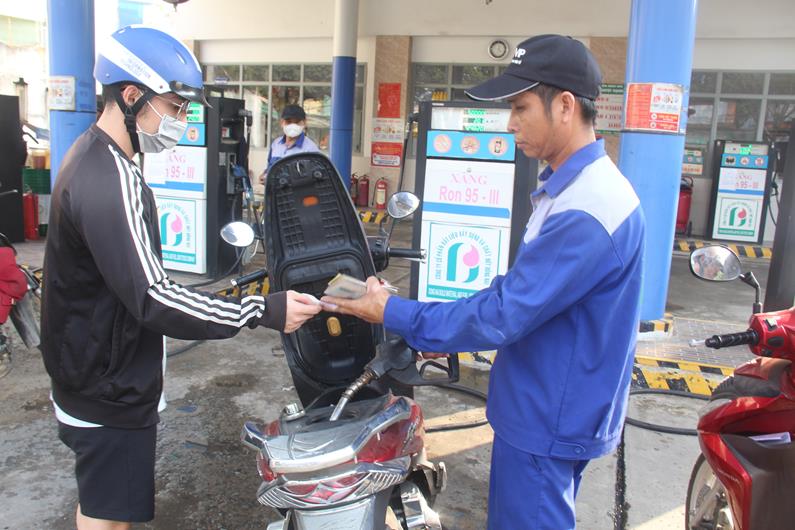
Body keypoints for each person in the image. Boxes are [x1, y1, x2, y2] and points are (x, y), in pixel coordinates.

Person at [322, 34, 645, 529]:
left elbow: (503, 314)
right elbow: (516, 294)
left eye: (520, 107)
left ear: (564, 106)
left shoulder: (587, 208)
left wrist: (391, 311)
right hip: (554, 402)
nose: (510, 123)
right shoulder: (575, 188)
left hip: (547, 414)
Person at [40, 26, 321, 530]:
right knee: (106, 517)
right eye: (174, 106)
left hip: (93, 369)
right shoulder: (108, 178)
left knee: (104, 506)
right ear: (132, 96)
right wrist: (261, 308)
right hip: (106, 386)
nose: (182, 120)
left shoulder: (97, 157)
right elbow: (154, 297)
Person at [258, 104, 319, 184]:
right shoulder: (276, 144)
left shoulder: (310, 149)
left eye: (297, 122)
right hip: (274, 191)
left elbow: (314, 180)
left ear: (304, 123)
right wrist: (265, 175)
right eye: (288, 122)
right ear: (282, 123)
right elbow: (270, 168)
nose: (292, 126)